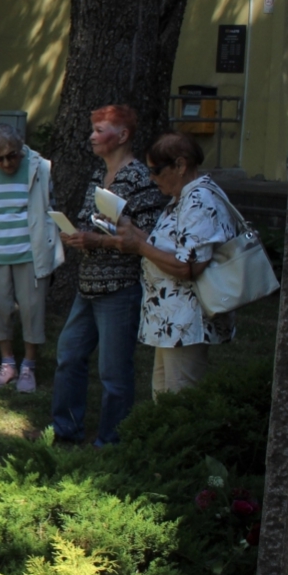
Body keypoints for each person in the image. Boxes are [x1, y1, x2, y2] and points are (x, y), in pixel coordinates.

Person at [51, 105, 166, 444]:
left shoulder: (140, 180)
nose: (92, 136)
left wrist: (96, 240)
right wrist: (75, 235)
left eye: (100, 130)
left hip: (120, 288)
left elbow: (146, 238)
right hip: (88, 285)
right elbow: (93, 222)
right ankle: (66, 432)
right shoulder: (97, 177)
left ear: (123, 136)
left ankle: (112, 441)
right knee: (68, 357)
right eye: (94, 129)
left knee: (113, 373)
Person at [115, 132, 237, 395]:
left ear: (180, 165)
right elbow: (171, 246)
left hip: (188, 323)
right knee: (164, 398)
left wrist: (139, 246)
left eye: (156, 170)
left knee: (179, 403)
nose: (151, 178)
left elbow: (188, 267)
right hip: (171, 322)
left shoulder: (198, 201)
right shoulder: (183, 197)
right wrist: (132, 231)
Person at [0, 124, 63, 393]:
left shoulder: (40, 166)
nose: (5, 163)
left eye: (11, 156)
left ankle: (29, 367)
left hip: (29, 251)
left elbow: (50, 207)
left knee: (31, 309)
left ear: (21, 147)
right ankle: (7, 364)